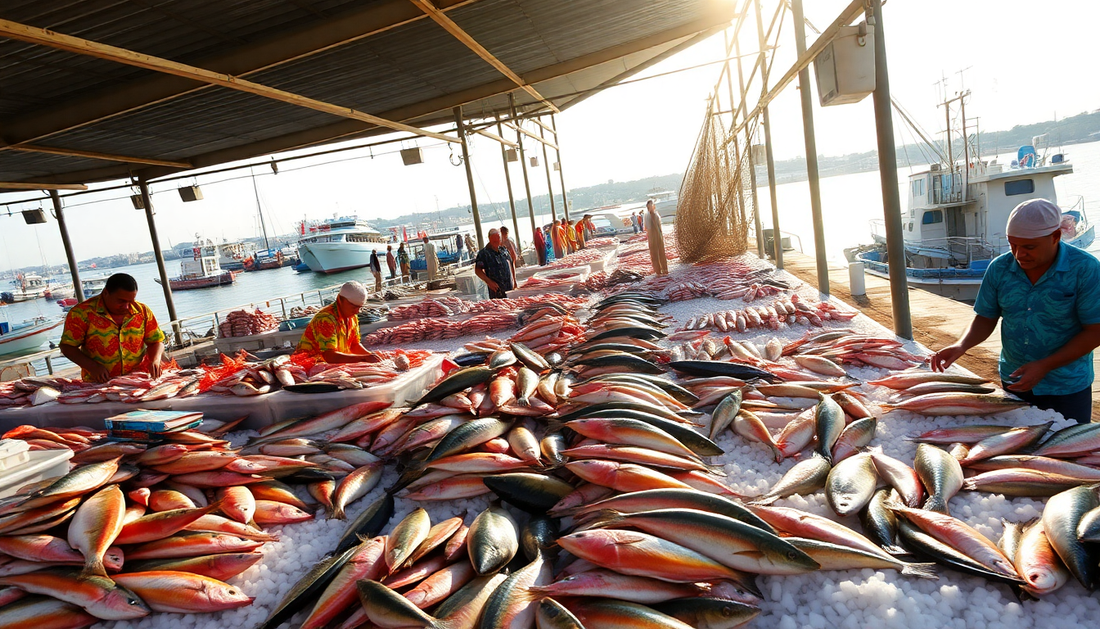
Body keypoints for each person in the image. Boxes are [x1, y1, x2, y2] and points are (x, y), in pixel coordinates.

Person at [931, 199, 1100, 423]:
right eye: (1013, 245)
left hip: (1066, 385)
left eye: (1029, 247)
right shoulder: (999, 268)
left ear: (1055, 237)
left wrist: (1045, 366)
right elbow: (986, 317)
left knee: (1067, 450)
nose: (1019, 254)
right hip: (1014, 379)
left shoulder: (1085, 269)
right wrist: (961, 345)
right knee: (1018, 453)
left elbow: (1095, 330)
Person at [59, 273, 166, 383]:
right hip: (99, 382)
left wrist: (155, 360)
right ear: (106, 293)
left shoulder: (142, 311)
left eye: (130, 301)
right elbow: (67, 347)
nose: (126, 306)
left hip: (138, 379)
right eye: (121, 301)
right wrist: (92, 367)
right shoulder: (81, 313)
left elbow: (156, 341)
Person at [296, 281, 380, 364]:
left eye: (360, 307)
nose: (357, 311)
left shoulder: (352, 317)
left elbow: (354, 345)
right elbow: (329, 356)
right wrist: (364, 358)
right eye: (354, 307)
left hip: (331, 364)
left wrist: (371, 356)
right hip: (309, 364)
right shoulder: (325, 319)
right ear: (340, 300)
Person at [475, 229, 514, 299]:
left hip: (509, 288)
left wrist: (514, 280)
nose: (496, 241)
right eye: (494, 239)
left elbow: (511, 263)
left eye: (498, 238)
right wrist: (488, 281)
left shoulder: (504, 250)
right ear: (489, 239)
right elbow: (478, 270)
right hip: (496, 290)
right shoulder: (483, 253)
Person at [645, 200, 668, 275]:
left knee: (661, 251)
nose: (651, 207)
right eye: (649, 206)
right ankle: (658, 271)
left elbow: (659, 225)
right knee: (654, 253)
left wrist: (660, 234)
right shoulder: (647, 216)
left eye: (652, 206)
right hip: (652, 236)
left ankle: (664, 269)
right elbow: (646, 228)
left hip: (658, 235)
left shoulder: (656, 214)